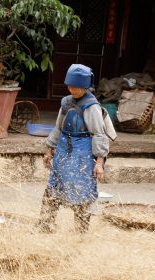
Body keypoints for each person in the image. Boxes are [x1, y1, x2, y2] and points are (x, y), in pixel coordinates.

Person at [37, 64, 110, 234]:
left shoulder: (91, 106)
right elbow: (57, 128)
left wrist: (99, 162)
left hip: (81, 153)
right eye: (70, 86)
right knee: (54, 187)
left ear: (85, 86)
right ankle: (45, 225)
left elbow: (99, 134)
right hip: (63, 149)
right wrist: (49, 150)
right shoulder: (66, 102)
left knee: (81, 190)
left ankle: (80, 231)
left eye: (76, 87)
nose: (72, 89)